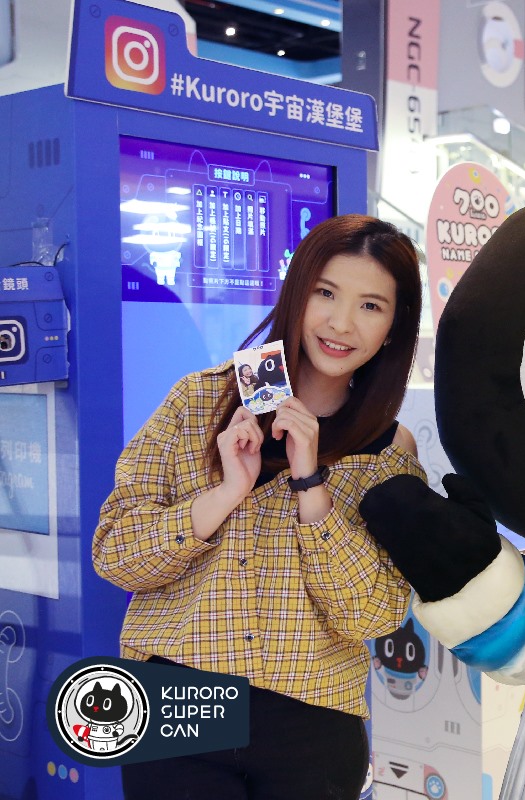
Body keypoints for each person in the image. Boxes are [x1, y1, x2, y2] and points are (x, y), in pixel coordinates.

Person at [93, 214, 425, 800]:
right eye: (326, 293)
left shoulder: (388, 452)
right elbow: (115, 555)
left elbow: (373, 618)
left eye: (371, 305)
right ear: (296, 294)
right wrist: (225, 494)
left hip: (313, 720)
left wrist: (310, 483)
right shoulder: (199, 401)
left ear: (394, 327)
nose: (341, 323)